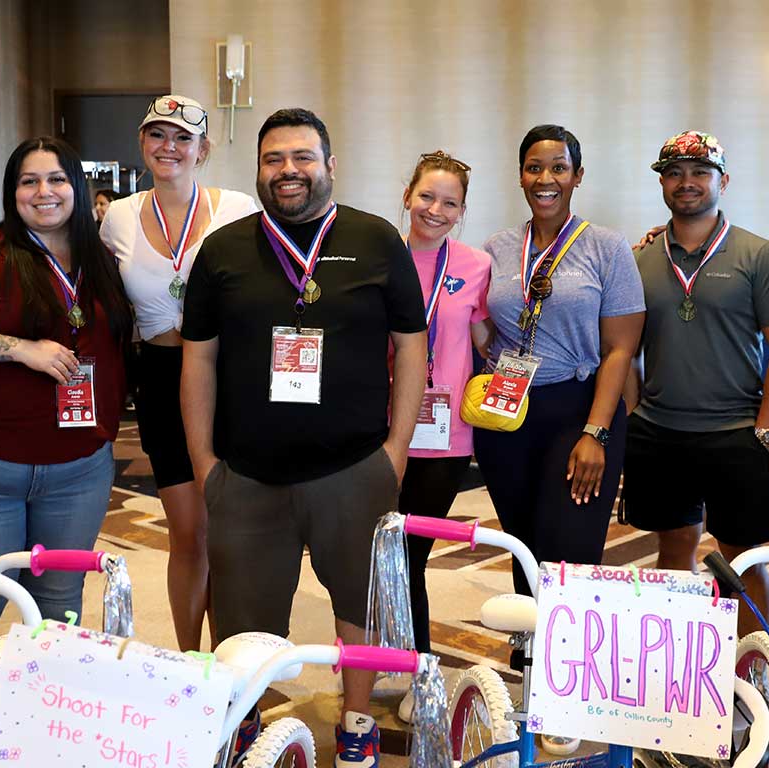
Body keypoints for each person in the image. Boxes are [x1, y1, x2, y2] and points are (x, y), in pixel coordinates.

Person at [181, 108, 426, 768]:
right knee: (241, 621)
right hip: (247, 473)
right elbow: (197, 359)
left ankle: (356, 724)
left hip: (353, 467)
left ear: (329, 165)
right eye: (273, 159)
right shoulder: (223, 250)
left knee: (358, 604)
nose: (287, 171)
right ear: (259, 169)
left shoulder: (377, 241)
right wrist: (206, 464)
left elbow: (411, 346)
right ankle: (246, 728)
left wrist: (395, 449)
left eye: (302, 157)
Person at [0, 136, 133, 627]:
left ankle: (42, 704)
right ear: (12, 191)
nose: (43, 192)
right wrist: (21, 350)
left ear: (76, 185)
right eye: (28, 181)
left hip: (80, 471)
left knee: (60, 604)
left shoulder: (101, 258)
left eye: (56, 179)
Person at [475, 124, 644, 754]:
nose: (545, 179)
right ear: (520, 175)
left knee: (570, 552)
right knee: (525, 547)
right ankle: (537, 678)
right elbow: (478, 323)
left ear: (577, 175)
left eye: (559, 168)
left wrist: (596, 431)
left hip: (581, 408)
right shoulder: (495, 246)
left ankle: (571, 694)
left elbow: (621, 347)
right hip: (509, 411)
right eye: (534, 167)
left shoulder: (606, 247)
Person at [621, 131, 769, 638]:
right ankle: (679, 657)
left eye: (700, 172)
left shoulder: (758, 256)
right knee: (674, 545)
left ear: (723, 180)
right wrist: (637, 411)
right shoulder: (640, 259)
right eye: (675, 173)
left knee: (743, 560)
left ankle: (753, 668)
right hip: (660, 431)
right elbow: (624, 348)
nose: (687, 183)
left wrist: (765, 431)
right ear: (661, 182)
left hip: (735, 432)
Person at [99, 95, 259, 652]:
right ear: (142, 145)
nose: (169, 147)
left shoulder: (237, 208)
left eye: (182, 137)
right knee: (188, 532)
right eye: (157, 135)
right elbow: (103, 304)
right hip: (161, 376)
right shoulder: (118, 215)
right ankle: (191, 660)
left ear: (203, 149)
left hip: (229, 378)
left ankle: (232, 660)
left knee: (230, 534)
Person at [392, 150, 493, 723]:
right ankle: (391, 652)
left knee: (410, 555)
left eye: (449, 202)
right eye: (427, 196)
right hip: (378, 431)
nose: (435, 209)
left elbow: (484, 336)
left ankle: (420, 669)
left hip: (446, 433)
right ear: (408, 194)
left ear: (461, 211)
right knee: (376, 551)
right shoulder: (381, 257)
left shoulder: (475, 265)